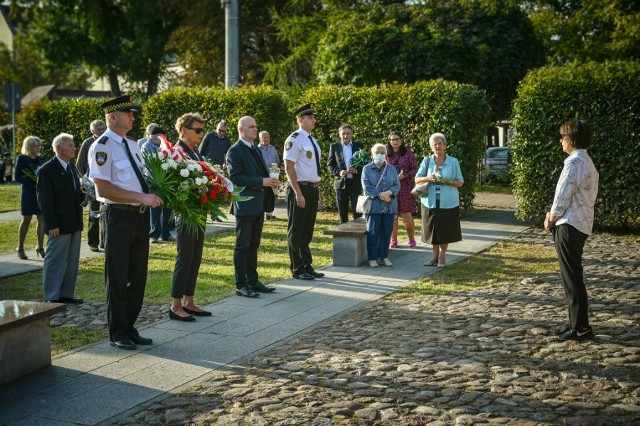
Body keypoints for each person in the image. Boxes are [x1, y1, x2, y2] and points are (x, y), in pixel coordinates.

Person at [88, 95, 163, 350]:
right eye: (127, 114)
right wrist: (140, 196)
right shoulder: (102, 146)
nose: (133, 117)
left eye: (132, 113)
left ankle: (130, 327)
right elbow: (103, 187)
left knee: (138, 276)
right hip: (118, 216)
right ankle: (118, 332)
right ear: (112, 117)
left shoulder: (132, 145)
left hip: (140, 217)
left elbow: (141, 179)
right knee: (118, 276)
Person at [544, 120, 599, 342]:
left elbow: (563, 194)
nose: (561, 141)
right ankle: (575, 322)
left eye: (563, 137)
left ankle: (581, 327)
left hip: (569, 224)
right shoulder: (587, 161)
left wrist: (551, 217)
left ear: (572, 139)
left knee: (572, 278)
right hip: (581, 223)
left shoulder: (574, 162)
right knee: (572, 276)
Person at [227, 116, 279, 298]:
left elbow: (260, 172)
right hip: (245, 204)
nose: (255, 130)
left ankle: (253, 280)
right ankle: (241, 284)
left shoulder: (255, 149)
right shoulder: (235, 150)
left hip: (258, 204)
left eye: (256, 127)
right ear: (241, 130)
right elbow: (235, 178)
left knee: (254, 245)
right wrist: (261, 181)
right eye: (251, 127)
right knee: (242, 245)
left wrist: (271, 180)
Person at [168, 113, 212, 321]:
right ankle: (175, 304)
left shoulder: (196, 154)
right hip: (185, 212)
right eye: (197, 130)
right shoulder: (176, 152)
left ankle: (189, 300)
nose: (201, 134)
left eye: (202, 130)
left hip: (199, 210)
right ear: (184, 131)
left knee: (195, 257)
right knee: (185, 257)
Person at [37, 133, 84, 304]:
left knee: (71, 262)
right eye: (70, 145)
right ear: (59, 148)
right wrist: (52, 225)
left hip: (74, 222)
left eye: (73, 145)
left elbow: (74, 194)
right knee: (55, 261)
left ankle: (65, 294)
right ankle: (52, 296)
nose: (74, 148)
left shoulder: (71, 167)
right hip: (59, 225)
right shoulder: (46, 171)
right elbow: (45, 202)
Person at [284, 103, 324, 281]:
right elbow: (289, 167)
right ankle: (297, 267)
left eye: (314, 117)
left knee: (307, 229)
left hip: (311, 188)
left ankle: (307, 264)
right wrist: (298, 192)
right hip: (299, 188)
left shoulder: (311, 140)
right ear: (301, 120)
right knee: (297, 229)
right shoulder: (294, 139)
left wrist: (317, 191)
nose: (314, 120)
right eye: (310, 118)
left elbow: (312, 168)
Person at [415, 132, 464, 267]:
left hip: (448, 202)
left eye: (440, 143)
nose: (438, 145)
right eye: (434, 143)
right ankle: (434, 256)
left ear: (445, 145)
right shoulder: (426, 161)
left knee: (445, 230)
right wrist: (428, 178)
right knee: (433, 230)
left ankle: (442, 255)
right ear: (431, 147)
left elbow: (460, 182)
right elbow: (417, 179)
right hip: (429, 201)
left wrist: (446, 181)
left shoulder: (453, 161)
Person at [361, 143, 400, 268]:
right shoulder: (366, 169)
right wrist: (381, 195)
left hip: (389, 206)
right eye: (377, 152)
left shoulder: (392, 169)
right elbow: (367, 187)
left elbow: (397, 185)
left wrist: (389, 193)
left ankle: (384, 257)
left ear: (386, 155)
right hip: (374, 206)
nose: (379, 155)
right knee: (373, 232)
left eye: (382, 152)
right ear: (372, 155)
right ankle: (372, 258)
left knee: (386, 232)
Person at [76, 119, 107, 252]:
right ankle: (92, 242)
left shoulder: (107, 141)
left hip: (106, 182)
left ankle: (104, 241)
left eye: (103, 129)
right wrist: (87, 181)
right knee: (94, 213)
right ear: (92, 131)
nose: (101, 132)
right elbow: (79, 164)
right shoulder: (87, 143)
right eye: (98, 129)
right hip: (92, 184)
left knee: (105, 212)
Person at [141, 127, 176, 244]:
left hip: (167, 180)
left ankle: (166, 234)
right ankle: (154, 235)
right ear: (155, 136)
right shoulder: (147, 146)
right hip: (154, 180)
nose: (163, 138)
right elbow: (149, 162)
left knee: (167, 208)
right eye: (161, 136)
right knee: (155, 208)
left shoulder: (165, 146)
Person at [14, 136, 46, 260]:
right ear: (30, 147)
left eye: (39, 145)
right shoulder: (22, 159)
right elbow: (18, 177)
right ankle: (20, 247)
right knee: (26, 218)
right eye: (36, 146)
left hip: (40, 193)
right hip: (28, 192)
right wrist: (32, 182)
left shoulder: (40, 159)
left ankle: (40, 246)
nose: (39, 148)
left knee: (41, 218)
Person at [386, 131, 418, 248]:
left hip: (405, 187)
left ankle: (412, 239)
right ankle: (393, 240)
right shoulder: (386, 155)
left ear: (401, 140)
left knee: (406, 215)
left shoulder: (408, 153)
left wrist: (404, 176)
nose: (394, 142)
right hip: (391, 189)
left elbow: (415, 169)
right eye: (392, 140)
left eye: (396, 139)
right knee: (393, 216)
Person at [327, 124, 365, 224]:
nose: (345, 136)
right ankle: (343, 236)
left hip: (355, 182)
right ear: (339, 134)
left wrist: (357, 171)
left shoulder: (359, 146)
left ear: (352, 134)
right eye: (343, 134)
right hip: (340, 184)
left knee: (357, 211)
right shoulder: (334, 147)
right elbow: (330, 166)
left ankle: (357, 234)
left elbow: (365, 164)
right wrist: (339, 172)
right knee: (342, 213)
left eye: (348, 133)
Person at [199, 120, 231, 222]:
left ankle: (214, 214)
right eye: (220, 130)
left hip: (219, 169)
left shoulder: (226, 140)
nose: (221, 133)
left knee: (216, 190)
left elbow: (228, 154)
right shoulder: (209, 136)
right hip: (207, 168)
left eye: (223, 131)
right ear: (216, 127)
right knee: (205, 190)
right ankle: (202, 213)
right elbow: (200, 151)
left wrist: (226, 166)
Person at [257, 130, 280, 220]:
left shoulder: (273, 149)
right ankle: (260, 214)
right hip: (261, 176)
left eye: (268, 137)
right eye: (265, 137)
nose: (267, 139)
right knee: (262, 195)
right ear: (260, 139)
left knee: (271, 195)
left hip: (272, 176)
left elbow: (277, 161)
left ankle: (269, 214)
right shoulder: (257, 150)